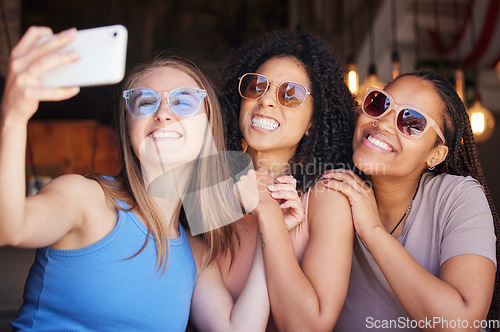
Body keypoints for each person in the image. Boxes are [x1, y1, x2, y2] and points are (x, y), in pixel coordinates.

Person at [1, 26, 270, 331]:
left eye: (184, 101)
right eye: (145, 102)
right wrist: (14, 116)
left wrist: (269, 230)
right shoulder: (86, 199)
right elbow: (10, 226)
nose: (164, 113)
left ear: (209, 127)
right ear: (129, 130)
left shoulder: (197, 256)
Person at [321, 70, 500, 331]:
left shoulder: (458, 196)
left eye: (412, 122)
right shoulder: (331, 194)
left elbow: (461, 323)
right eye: (379, 103)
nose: (382, 123)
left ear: (436, 155)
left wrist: (372, 231)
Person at [216, 30, 357, 331]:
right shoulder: (210, 191)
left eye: (289, 93)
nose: (266, 100)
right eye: (257, 86)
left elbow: (309, 326)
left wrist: (268, 213)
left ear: (313, 122)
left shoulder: (326, 198)